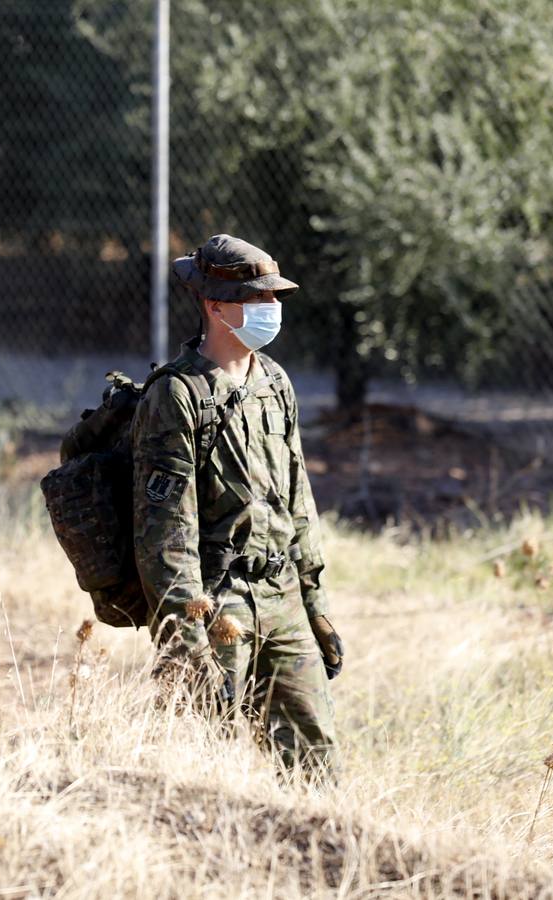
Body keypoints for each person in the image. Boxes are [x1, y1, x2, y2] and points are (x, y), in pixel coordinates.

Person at [132, 234, 343, 774]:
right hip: (217, 605)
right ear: (214, 305)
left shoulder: (274, 382)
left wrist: (314, 606)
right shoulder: (177, 395)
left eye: (273, 298)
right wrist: (187, 636)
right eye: (256, 299)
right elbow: (165, 533)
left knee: (315, 762)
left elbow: (299, 498)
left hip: (283, 597)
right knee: (208, 760)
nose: (270, 310)